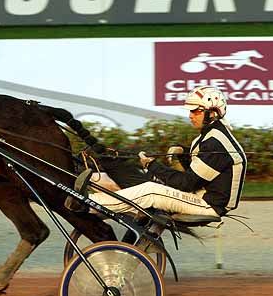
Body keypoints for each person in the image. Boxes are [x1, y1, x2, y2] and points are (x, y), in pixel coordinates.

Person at [76, 86, 247, 218]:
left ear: (212, 113)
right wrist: (183, 152)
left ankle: (89, 203)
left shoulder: (215, 142)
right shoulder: (212, 135)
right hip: (201, 195)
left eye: (196, 111)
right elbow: (203, 168)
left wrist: (152, 165)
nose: (190, 115)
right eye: (190, 111)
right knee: (145, 179)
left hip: (208, 204)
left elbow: (187, 183)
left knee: (151, 191)